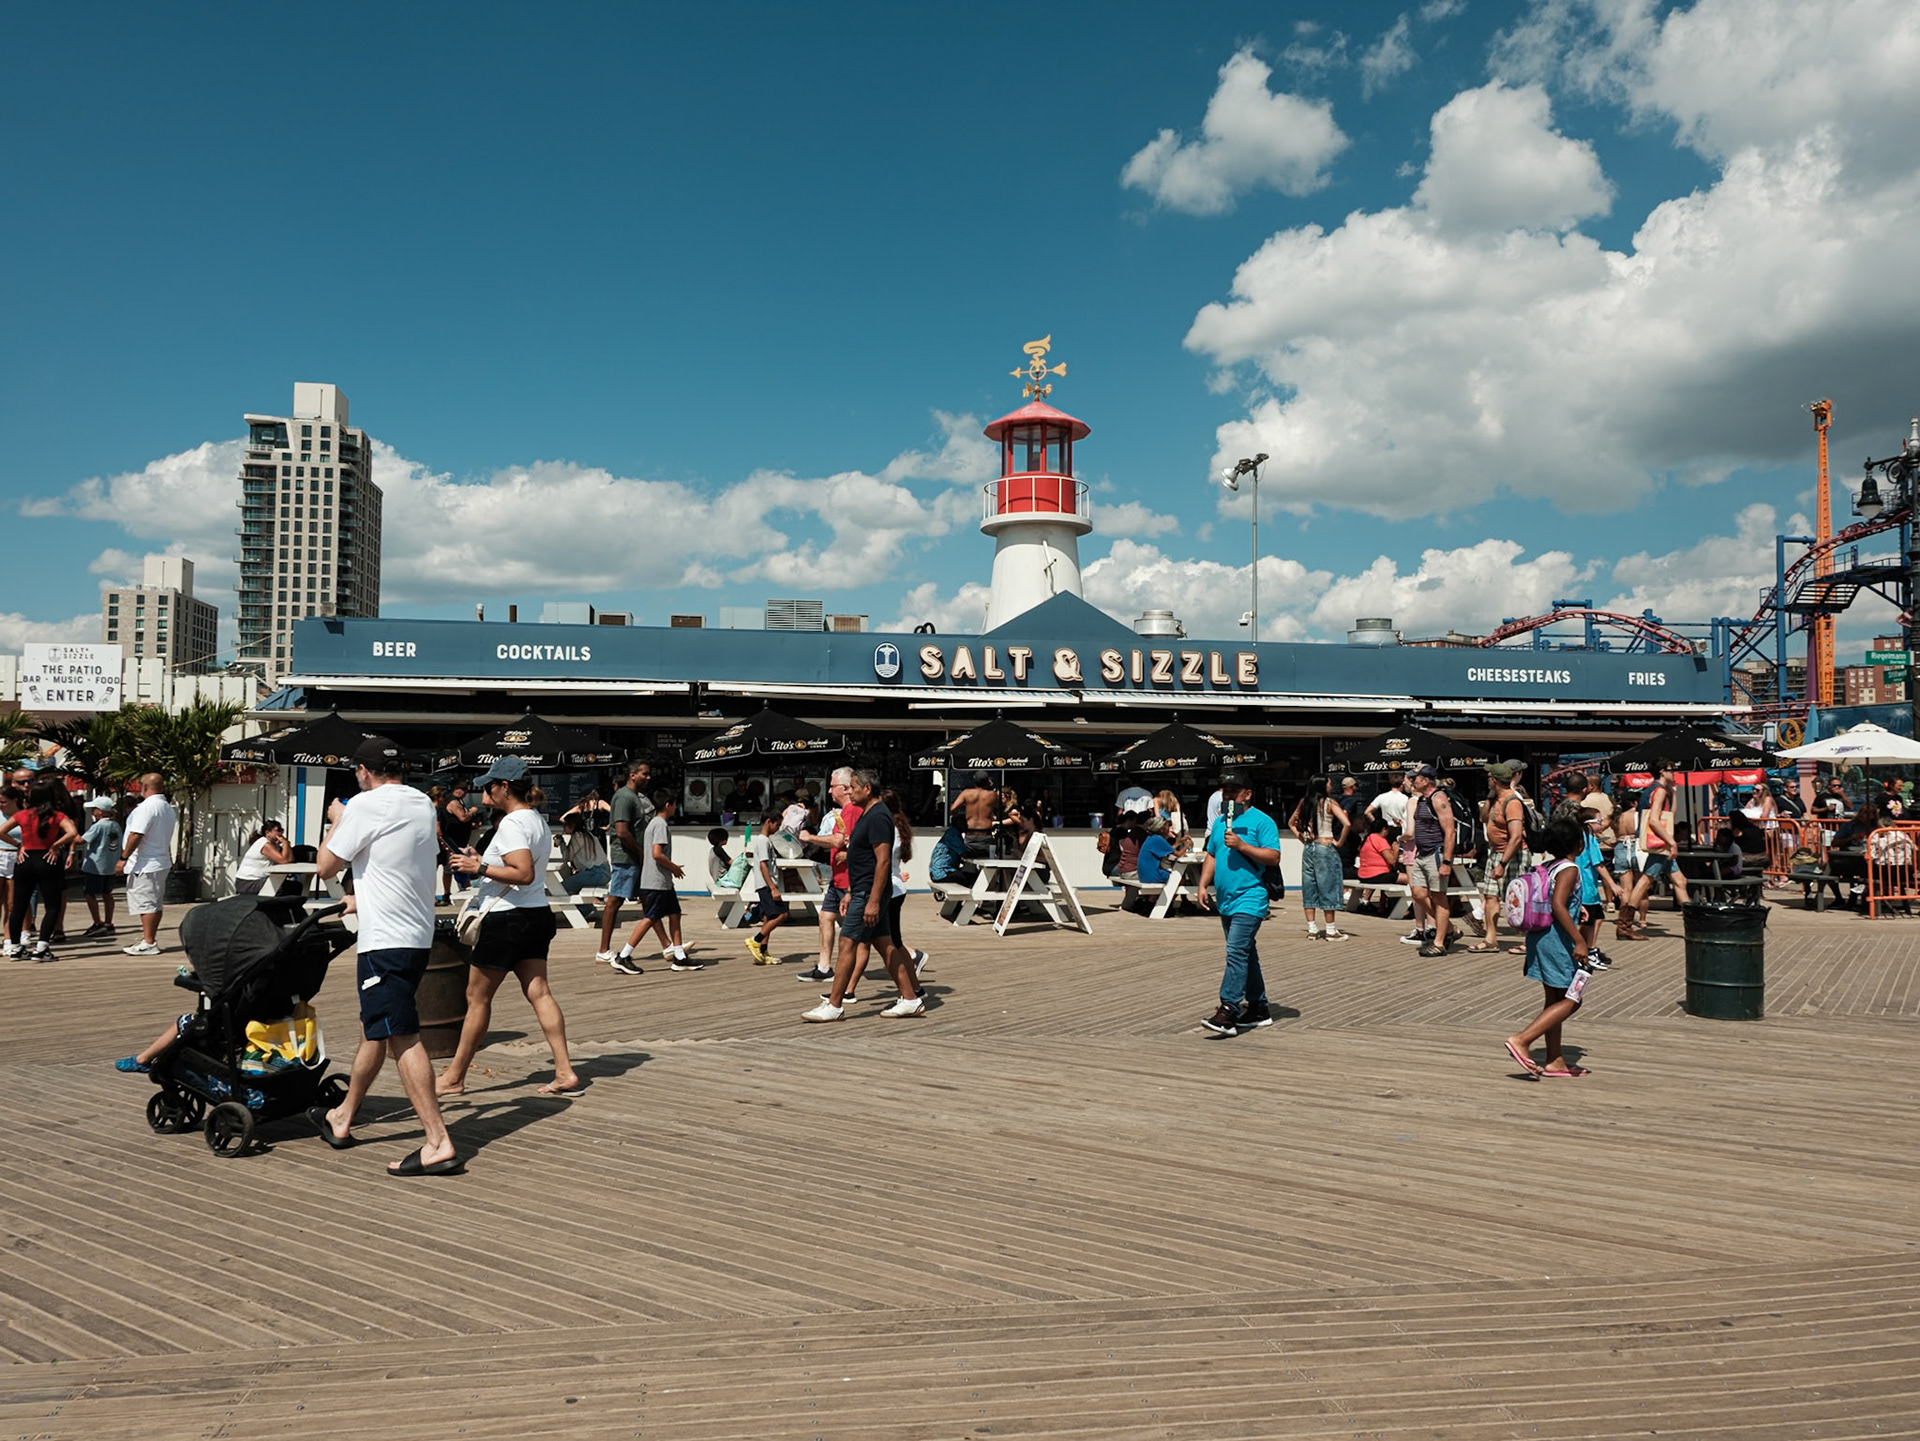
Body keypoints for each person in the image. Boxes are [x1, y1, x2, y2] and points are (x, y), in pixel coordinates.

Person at [309, 736, 462, 1175]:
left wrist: (338, 820)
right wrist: (367, 897)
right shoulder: (420, 803)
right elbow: (396, 861)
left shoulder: (363, 805)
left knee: (401, 1035)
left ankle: (437, 1140)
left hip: (384, 942)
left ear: (363, 771)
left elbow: (325, 867)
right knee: (375, 1028)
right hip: (415, 935)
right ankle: (343, 1115)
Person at [438, 757, 580, 1098]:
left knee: (477, 997)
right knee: (539, 991)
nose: (484, 791)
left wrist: (479, 866)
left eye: (489, 786)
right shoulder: (536, 820)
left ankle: (455, 1075)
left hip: (506, 918)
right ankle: (564, 1071)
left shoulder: (513, 823)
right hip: (535, 915)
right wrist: (483, 860)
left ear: (504, 788)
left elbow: (523, 872)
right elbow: (522, 869)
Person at [804, 770, 924, 1020]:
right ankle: (911, 999)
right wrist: (849, 891)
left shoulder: (878, 816)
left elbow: (881, 862)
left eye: (853, 787)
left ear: (867, 789)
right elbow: (863, 859)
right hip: (860, 890)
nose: (849, 791)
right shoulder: (870, 814)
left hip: (870, 892)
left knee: (847, 942)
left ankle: (834, 1005)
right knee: (885, 944)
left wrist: (872, 901)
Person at [1504, 815, 1594, 1078]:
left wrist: (1580, 910)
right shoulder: (1570, 869)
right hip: (1558, 940)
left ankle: (1555, 1060)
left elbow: (1556, 899)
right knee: (1572, 999)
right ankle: (1522, 1039)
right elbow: (1558, 905)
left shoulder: (1548, 865)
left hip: (1539, 937)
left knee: (1554, 999)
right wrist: (1580, 940)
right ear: (1578, 844)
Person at [1196, 773, 1281, 1035]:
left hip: (1251, 896)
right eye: (1225, 790)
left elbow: (1273, 856)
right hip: (1226, 899)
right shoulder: (1221, 822)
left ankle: (1228, 1009)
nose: (1228, 795)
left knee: (1236, 951)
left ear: (1247, 794)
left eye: (1234, 790)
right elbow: (1212, 853)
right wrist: (1202, 884)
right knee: (1246, 953)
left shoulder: (1262, 821)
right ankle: (1258, 1007)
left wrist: (1243, 845)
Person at [612, 791, 697, 973]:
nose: (676, 808)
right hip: (657, 881)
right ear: (668, 804)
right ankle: (624, 955)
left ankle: (679, 956)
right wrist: (673, 867)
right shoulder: (660, 825)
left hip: (662, 881)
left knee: (675, 913)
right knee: (650, 918)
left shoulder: (654, 824)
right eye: (674, 804)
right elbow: (657, 854)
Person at [2, 779, 80, 960]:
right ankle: (42, 947)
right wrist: (56, 845)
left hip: (26, 858)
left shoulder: (22, 815)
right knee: (52, 905)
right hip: (47, 858)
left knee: (19, 905)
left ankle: (15, 947)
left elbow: (1, 831)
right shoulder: (57, 816)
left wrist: (18, 844)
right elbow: (72, 832)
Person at [797, 768, 859, 983]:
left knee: (873, 935)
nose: (830, 791)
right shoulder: (842, 812)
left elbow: (839, 840)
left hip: (851, 880)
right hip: (838, 877)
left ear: (844, 788)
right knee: (825, 917)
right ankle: (824, 967)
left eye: (833, 787)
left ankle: (910, 956)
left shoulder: (852, 810)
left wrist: (809, 837)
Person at [596, 760, 655, 964]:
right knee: (615, 900)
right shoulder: (623, 797)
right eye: (644, 774)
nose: (648, 778)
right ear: (632, 775)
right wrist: (640, 853)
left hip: (635, 857)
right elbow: (622, 832)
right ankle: (603, 950)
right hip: (626, 858)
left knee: (649, 901)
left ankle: (669, 946)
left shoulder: (634, 798)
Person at [1469, 763, 1528, 955]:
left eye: (1489, 778)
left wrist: (1503, 863)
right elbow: (1483, 818)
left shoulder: (1512, 802)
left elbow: (1517, 836)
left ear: (1494, 780)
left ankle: (1529, 941)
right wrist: (1489, 796)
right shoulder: (1495, 799)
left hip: (1513, 855)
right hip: (1495, 852)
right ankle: (1491, 939)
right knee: (1490, 895)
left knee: (1518, 898)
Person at [116, 774, 177, 957]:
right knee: (154, 903)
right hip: (159, 860)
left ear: (144, 787)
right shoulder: (166, 807)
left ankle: (149, 941)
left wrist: (124, 857)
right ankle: (149, 938)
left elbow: (137, 834)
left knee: (146, 903)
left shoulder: (147, 808)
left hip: (146, 862)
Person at [1624, 760, 1689, 926]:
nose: (1674, 772)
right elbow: (1654, 821)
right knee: (1646, 880)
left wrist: (1674, 793)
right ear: (1662, 771)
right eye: (1671, 769)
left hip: (1660, 843)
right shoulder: (1659, 791)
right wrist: (1671, 842)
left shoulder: (1654, 790)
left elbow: (1668, 816)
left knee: (1680, 881)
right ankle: (1624, 923)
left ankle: (1693, 919)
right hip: (1659, 844)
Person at [1403, 765, 1458, 956]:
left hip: (1436, 854)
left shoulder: (1439, 798)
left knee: (1439, 898)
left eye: (1415, 778)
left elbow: (1451, 831)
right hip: (1422, 854)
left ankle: (1440, 943)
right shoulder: (1421, 800)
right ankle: (1449, 928)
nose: (1412, 781)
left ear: (1426, 780)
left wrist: (1447, 862)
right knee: (1418, 893)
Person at [1288, 775, 1350, 941]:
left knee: (1309, 885)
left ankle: (1312, 928)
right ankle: (1330, 930)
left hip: (1309, 847)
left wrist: (1303, 838)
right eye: (1329, 783)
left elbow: (1291, 823)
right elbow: (1347, 823)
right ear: (1323, 786)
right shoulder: (1329, 803)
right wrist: (1339, 842)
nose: (1331, 785)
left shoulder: (1305, 802)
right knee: (1328, 885)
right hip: (1325, 845)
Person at [879, 788, 929, 981]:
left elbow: (882, 858)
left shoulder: (889, 828)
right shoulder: (898, 826)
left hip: (889, 889)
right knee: (891, 940)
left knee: (887, 941)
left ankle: (910, 985)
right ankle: (913, 983)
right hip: (895, 885)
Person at [740, 814, 792, 964]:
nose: (778, 828)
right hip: (766, 884)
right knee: (781, 915)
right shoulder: (763, 841)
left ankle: (763, 951)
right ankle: (755, 941)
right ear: (769, 822)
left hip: (766, 884)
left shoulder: (765, 841)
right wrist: (772, 887)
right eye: (777, 824)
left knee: (768, 917)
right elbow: (763, 865)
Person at [79, 795, 123, 936]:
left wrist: (71, 836)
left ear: (100, 811)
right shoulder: (115, 825)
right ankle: (108, 922)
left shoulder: (98, 826)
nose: (92, 812)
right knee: (107, 893)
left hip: (96, 865)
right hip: (110, 865)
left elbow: (82, 840)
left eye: (94, 809)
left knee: (89, 893)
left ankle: (97, 922)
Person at [232, 818, 290, 896]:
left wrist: (287, 845)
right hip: (247, 882)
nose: (281, 833)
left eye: (281, 830)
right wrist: (285, 843)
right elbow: (283, 860)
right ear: (268, 833)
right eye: (278, 830)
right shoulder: (264, 844)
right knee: (278, 888)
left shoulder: (275, 846)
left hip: (259, 879)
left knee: (294, 886)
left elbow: (290, 859)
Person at [949, 771, 1000, 858]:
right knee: (987, 862)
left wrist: (960, 818)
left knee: (970, 865)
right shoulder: (992, 795)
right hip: (985, 834)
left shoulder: (966, 793)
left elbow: (952, 808)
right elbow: (998, 806)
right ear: (988, 782)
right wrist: (991, 787)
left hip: (970, 833)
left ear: (974, 781)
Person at [557, 813, 609, 895]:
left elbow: (567, 857)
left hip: (595, 873)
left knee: (560, 888)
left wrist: (561, 843)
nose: (563, 828)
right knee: (573, 891)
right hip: (602, 873)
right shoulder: (587, 834)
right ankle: (589, 908)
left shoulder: (578, 836)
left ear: (572, 825)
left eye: (565, 825)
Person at [1354, 814, 1396, 913]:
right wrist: (1396, 849)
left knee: (1389, 877)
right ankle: (1405, 908)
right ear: (1384, 829)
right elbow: (1392, 861)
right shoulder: (1380, 840)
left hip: (1363, 874)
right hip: (1377, 874)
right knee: (1409, 879)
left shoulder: (1367, 839)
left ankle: (1382, 906)